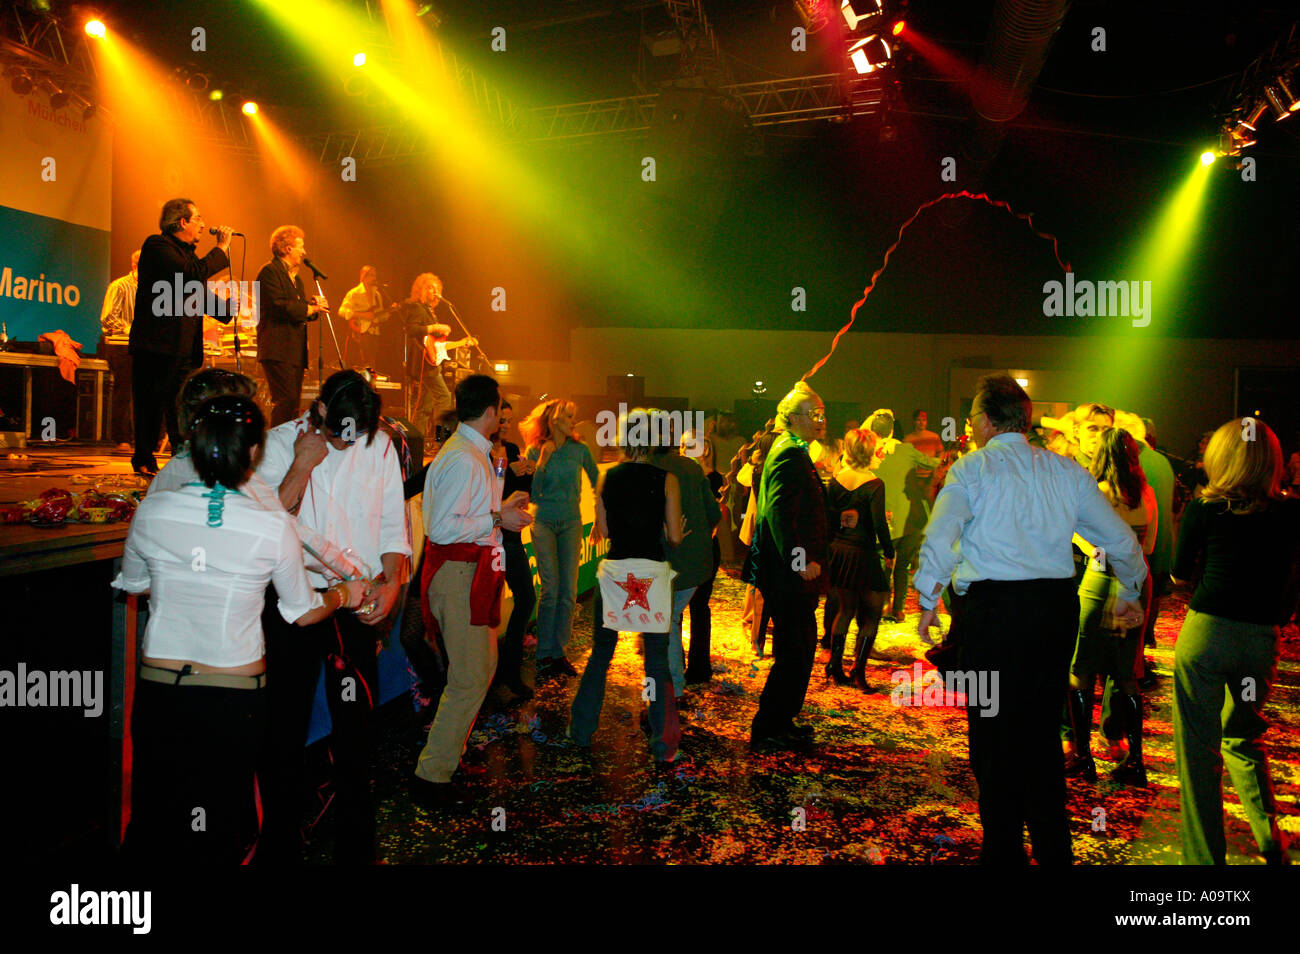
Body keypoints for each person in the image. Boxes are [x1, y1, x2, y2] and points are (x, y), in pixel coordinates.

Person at [114, 394, 366, 863]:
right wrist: (344, 595)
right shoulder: (271, 524)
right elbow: (302, 612)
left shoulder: (153, 509)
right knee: (219, 823)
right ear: (253, 450)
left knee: (153, 818)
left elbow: (135, 584)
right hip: (232, 694)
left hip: (161, 690)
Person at [913, 374, 1146, 865]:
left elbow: (940, 535)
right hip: (1050, 614)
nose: (970, 427)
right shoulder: (1066, 471)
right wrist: (1129, 589)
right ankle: (1052, 849)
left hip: (992, 618)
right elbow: (1120, 539)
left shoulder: (972, 470)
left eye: (972, 418)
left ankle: (1003, 850)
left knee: (992, 733)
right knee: (1040, 733)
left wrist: (928, 596)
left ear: (984, 420)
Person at [255, 370, 410, 864]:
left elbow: (393, 525)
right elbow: (263, 523)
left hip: (356, 599)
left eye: (358, 434)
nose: (349, 443)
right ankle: (279, 843)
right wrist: (302, 465)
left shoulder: (379, 445)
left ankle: (356, 845)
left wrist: (392, 584)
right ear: (320, 409)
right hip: (294, 599)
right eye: (342, 432)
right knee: (284, 723)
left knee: (356, 724)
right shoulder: (279, 443)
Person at [1171, 418, 1299, 865]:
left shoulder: (1205, 509)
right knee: (1243, 734)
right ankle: (1269, 837)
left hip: (1207, 638)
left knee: (1198, 752)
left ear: (1221, 457)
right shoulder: (1291, 512)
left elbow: (1179, 575)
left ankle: (1205, 861)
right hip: (1258, 643)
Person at [411, 375, 533, 809]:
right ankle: (432, 776)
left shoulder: (470, 452)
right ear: (491, 411)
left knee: (478, 669)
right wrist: (498, 518)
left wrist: (500, 509)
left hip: (468, 574)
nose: (504, 417)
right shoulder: (465, 457)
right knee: (469, 676)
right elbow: (443, 528)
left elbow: (461, 516)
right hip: (460, 574)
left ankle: (444, 761)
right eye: (501, 408)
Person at [568, 408, 684, 765]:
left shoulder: (609, 477)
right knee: (657, 663)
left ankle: (581, 731)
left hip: (616, 573)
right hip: (651, 574)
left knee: (601, 654)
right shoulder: (667, 480)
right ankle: (663, 746)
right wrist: (671, 528)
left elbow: (603, 530)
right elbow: (675, 538)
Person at [1063, 428, 1157, 786]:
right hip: (1136, 582)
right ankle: (1135, 761)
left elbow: (1081, 536)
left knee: (1081, 668)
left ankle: (1083, 757)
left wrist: (1089, 546)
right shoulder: (1146, 493)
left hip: (1102, 580)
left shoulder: (1097, 492)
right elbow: (1149, 546)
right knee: (1126, 673)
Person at [746, 381, 829, 751]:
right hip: (787, 574)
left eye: (823, 414)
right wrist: (800, 561)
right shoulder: (789, 452)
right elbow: (779, 513)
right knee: (794, 649)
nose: (821, 420)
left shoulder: (793, 449)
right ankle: (768, 727)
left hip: (788, 573)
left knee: (799, 647)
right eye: (815, 414)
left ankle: (782, 720)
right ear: (793, 418)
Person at [128, 199, 232, 475]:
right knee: (150, 404)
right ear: (182, 221)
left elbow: (194, 290)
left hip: (184, 347)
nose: (203, 224)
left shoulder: (186, 255)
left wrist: (226, 310)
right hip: (157, 345)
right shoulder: (158, 246)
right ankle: (144, 458)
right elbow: (191, 276)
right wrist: (221, 248)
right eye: (198, 218)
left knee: (181, 405)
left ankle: (182, 459)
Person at [519, 398, 599, 681]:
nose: (573, 422)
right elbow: (532, 493)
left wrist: (601, 516)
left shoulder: (580, 449)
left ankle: (559, 652)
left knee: (568, 591)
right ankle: (544, 655)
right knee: (551, 589)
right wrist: (542, 461)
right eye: (568, 416)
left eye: (573, 417)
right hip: (543, 522)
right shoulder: (535, 450)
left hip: (571, 523)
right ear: (553, 419)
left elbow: (597, 481)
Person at [651, 422, 721, 696]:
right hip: (697, 561)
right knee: (682, 616)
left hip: (664, 562)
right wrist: (699, 534)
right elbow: (714, 515)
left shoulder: (642, 469)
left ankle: (670, 690)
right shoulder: (692, 470)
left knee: (666, 623)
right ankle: (687, 675)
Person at [825, 429, 894, 689]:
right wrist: (889, 551)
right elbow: (878, 524)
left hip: (839, 550)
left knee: (845, 610)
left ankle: (835, 665)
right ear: (871, 451)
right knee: (873, 613)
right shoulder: (874, 483)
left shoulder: (836, 480)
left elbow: (828, 517)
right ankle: (858, 671)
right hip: (863, 552)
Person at [870, 410, 942, 623]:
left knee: (883, 564)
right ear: (893, 430)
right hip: (911, 518)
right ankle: (899, 609)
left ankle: (882, 605)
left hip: (883, 517)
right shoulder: (907, 449)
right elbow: (933, 463)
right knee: (903, 565)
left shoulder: (869, 453)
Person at [256, 225, 329, 428]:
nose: (303, 252)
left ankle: (287, 442)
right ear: (288, 248)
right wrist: (309, 308)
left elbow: (297, 311)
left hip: (294, 351)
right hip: (277, 349)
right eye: (300, 246)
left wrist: (313, 307)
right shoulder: (269, 272)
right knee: (285, 400)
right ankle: (276, 443)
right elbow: (279, 306)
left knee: (293, 404)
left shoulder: (296, 279)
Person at [493, 400, 537, 700]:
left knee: (526, 598)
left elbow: (521, 494)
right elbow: (488, 494)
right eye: (502, 419)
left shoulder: (510, 449)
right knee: (486, 608)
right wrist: (509, 472)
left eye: (510, 420)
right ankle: (493, 672)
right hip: (485, 538)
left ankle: (510, 669)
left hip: (510, 538)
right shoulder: (479, 452)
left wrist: (528, 473)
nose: (506, 425)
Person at [402, 273, 476, 439]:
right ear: (421, 290)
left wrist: (460, 343)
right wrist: (435, 327)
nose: (434, 291)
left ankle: (416, 442)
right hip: (425, 364)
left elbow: (436, 345)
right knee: (444, 399)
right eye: (430, 287)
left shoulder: (429, 311)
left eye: (436, 288)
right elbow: (411, 329)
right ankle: (442, 438)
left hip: (430, 362)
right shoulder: (417, 308)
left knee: (423, 407)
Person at [684, 431, 725, 684]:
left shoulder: (712, 479)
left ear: (705, 449)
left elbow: (713, 517)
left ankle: (699, 667)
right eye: (682, 445)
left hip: (704, 547)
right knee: (678, 608)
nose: (683, 450)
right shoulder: (678, 476)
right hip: (683, 545)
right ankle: (677, 663)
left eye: (689, 445)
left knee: (699, 606)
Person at [99, 250, 139, 447]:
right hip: (122, 346)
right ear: (135, 266)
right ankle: (122, 438)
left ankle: (143, 438)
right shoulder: (120, 286)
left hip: (143, 347)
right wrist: (129, 328)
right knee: (124, 391)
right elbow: (108, 318)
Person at [338, 265, 388, 369]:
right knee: (359, 365)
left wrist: (389, 312)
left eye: (375, 275)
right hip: (359, 333)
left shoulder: (377, 295)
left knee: (372, 364)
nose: (374, 278)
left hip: (374, 333)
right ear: (363, 276)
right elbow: (342, 311)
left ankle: (370, 379)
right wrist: (363, 315)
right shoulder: (354, 293)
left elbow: (380, 316)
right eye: (371, 275)